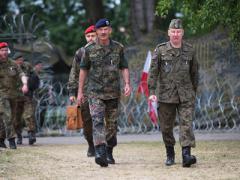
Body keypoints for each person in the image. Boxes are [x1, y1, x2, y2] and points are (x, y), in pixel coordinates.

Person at [77, 18, 131, 167]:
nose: (103, 32)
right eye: (100, 30)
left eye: (105, 29)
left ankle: (109, 150)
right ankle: (100, 152)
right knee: (97, 121)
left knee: (112, 125)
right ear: (96, 32)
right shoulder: (89, 50)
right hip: (95, 93)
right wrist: (80, 91)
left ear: (110, 30)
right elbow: (83, 70)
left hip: (113, 93)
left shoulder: (118, 48)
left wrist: (127, 83)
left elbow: (124, 67)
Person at [148, 19, 199, 167]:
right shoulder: (160, 50)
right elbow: (153, 72)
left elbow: (195, 73)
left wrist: (193, 91)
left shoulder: (190, 50)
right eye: (173, 32)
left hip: (186, 95)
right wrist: (151, 91)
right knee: (166, 127)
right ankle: (170, 153)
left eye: (178, 32)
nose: (176, 34)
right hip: (166, 95)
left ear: (182, 33)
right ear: (169, 33)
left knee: (186, 124)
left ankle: (186, 155)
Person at [67, 25, 96, 157]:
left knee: (104, 120)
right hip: (84, 92)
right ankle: (91, 144)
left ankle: (103, 145)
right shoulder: (80, 53)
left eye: (93, 35)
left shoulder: (105, 50)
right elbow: (74, 72)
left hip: (102, 91)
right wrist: (72, 92)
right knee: (87, 121)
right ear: (85, 37)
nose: (91, 38)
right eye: (88, 36)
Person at [0, 42, 28, 149]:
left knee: (9, 118)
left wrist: (25, 84)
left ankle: (1, 139)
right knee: (7, 116)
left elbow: (21, 74)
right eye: (2, 50)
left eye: (6, 50)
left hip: (13, 95)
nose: (4, 52)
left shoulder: (13, 64)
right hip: (1, 95)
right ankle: (12, 140)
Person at [13, 52, 38, 145]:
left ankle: (31, 135)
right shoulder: (11, 67)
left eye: (21, 60)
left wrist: (30, 86)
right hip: (15, 97)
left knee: (29, 115)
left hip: (27, 96)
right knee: (16, 118)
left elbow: (35, 77)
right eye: (18, 60)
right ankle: (19, 136)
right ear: (15, 61)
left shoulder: (27, 66)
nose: (20, 61)